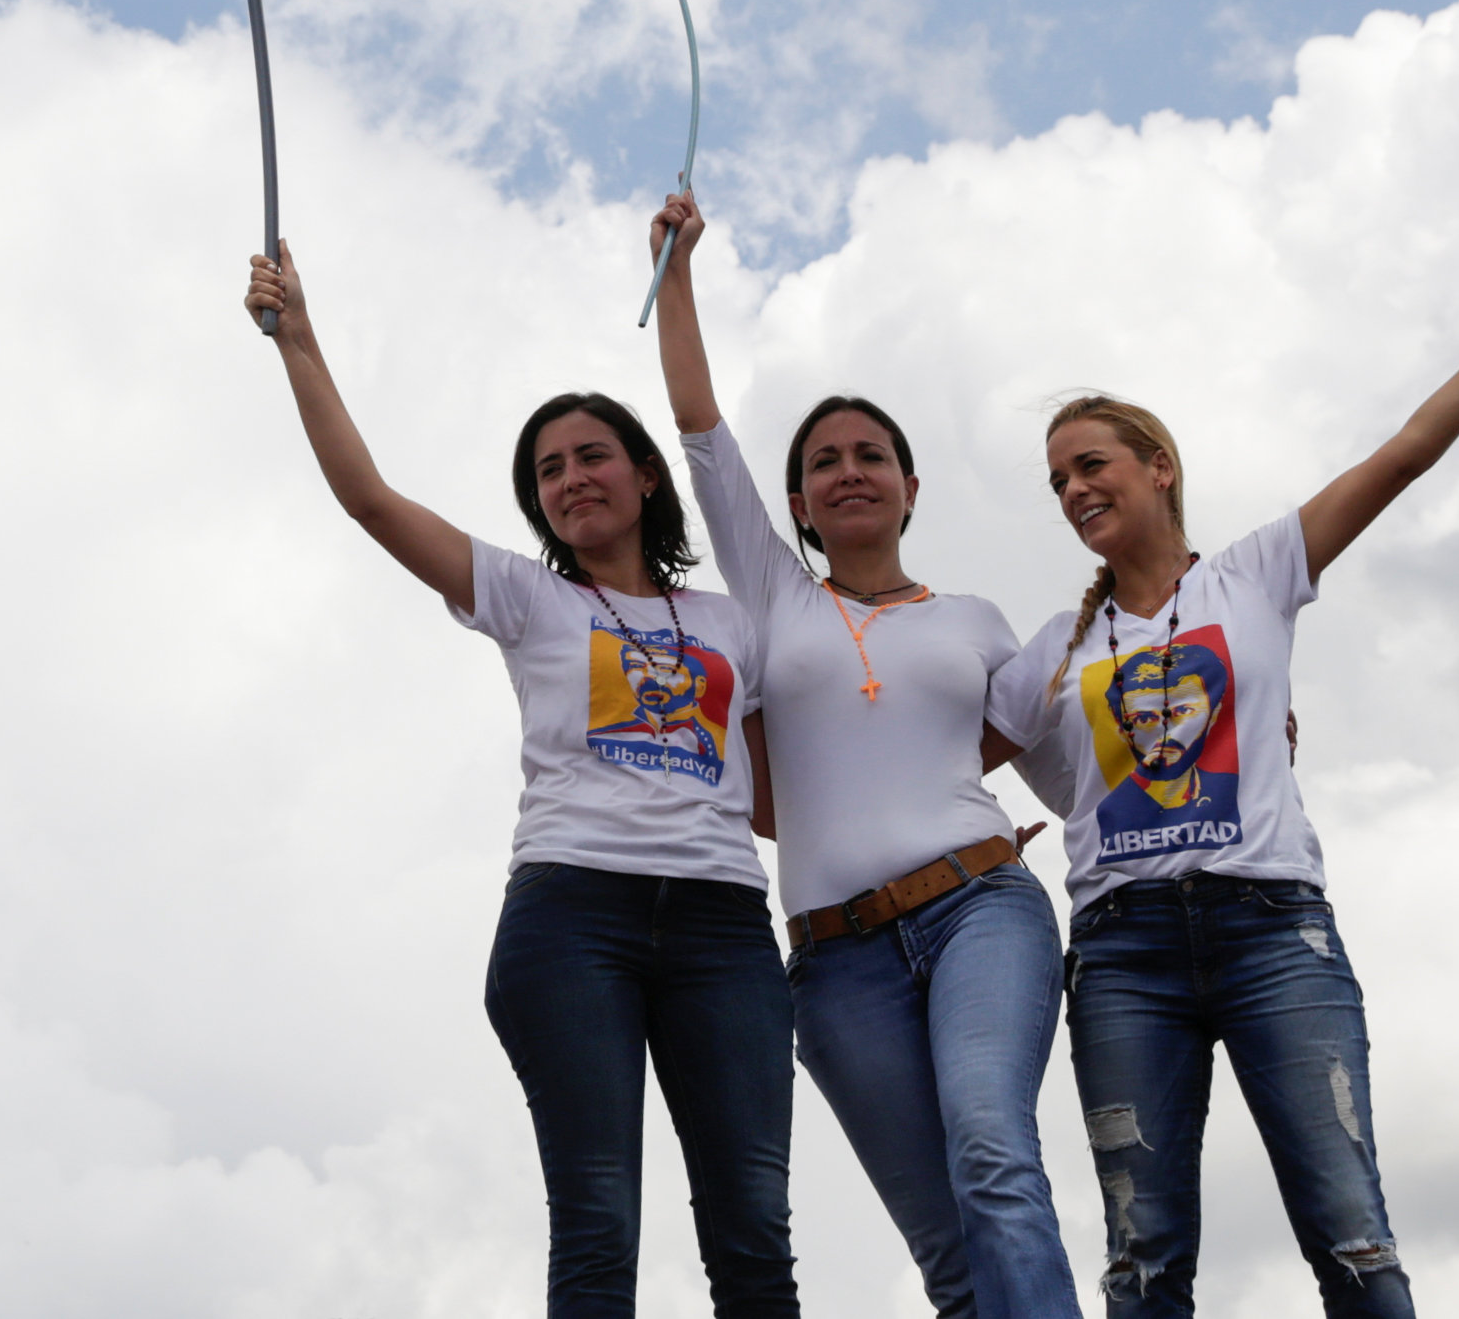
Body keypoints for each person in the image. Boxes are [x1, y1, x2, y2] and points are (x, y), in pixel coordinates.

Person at [985, 246, 1459, 1317]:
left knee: (1349, 1234)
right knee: (1143, 1257)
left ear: (1157, 464)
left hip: (1271, 933)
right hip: (1121, 953)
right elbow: (923, 753)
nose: (1073, 489)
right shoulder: (1049, 652)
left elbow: (1398, 458)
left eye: (1089, 464)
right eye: (1057, 481)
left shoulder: (1252, 573)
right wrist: (975, 849)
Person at [246, 241, 795, 1319]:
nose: (570, 476)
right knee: (597, 1224)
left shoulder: (736, 623)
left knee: (751, 1229)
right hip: (569, 916)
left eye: (590, 453)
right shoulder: (521, 595)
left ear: (643, 475)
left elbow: (778, 800)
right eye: (547, 469)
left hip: (724, 928)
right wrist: (299, 341)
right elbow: (366, 498)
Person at [649, 193, 1079, 1317]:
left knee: (991, 1148)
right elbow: (698, 431)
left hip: (977, 905)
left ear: (907, 483)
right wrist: (676, 271)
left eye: (870, 454)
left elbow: (1074, 767)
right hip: (833, 960)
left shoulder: (976, 618)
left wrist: (1246, 736)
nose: (848, 470)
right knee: (943, 1244)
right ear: (794, 500)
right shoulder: (775, 597)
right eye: (824, 460)